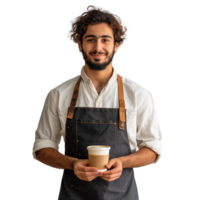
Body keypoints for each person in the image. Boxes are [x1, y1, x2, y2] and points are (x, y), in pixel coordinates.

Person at [30, 3, 164, 200]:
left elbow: (154, 148)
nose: (98, 47)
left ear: (116, 44)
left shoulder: (140, 94)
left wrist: (123, 162)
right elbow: (41, 147)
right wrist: (72, 164)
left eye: (105, 40)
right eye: (91, 40)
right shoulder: (57, 94)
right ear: (78, 44)